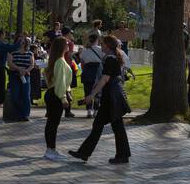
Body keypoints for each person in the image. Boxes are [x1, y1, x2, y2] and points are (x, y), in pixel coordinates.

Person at [70, 35, 131, 164]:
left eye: (103, 44)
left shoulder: (110, 59)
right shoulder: (114, 57)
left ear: (108, 45)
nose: (101, 45)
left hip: (111, 97)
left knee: (109, 125)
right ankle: (86, 153)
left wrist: (91, 95)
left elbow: (105, 79)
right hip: (113, 96)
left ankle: (86, 153)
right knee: (111, 125)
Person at [42, 36, 74, 161]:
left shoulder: (56, 61)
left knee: (52, 123)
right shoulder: (60, 62)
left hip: (52, 93)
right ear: (62, 47)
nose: (68, 45)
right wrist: (63, 98)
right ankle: (50, 150)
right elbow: (61, 82)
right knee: (53, 124)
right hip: (56, 95)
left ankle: (51, 149)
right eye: (66, 43)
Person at [6, 35, 35, 122]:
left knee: (26, 95)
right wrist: (19, 69)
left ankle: (25, 115)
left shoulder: (30, 53)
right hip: (15, 75)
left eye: (23, 41)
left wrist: (26, 70)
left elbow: (32, 64)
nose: (22, 42)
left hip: (25, 75)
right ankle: (19, 112)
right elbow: (10, 63)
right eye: (20, 41)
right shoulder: (12, 52)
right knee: (15, 95)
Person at [80, 32, 104, 117]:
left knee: (87, 91)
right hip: (98, 71)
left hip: (87, 70)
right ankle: (96, 110)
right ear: (97, 40)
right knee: (97, 91)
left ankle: (89, 110)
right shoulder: (100, 49)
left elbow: (82, 63)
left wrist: (84, 70)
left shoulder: (84, 50)